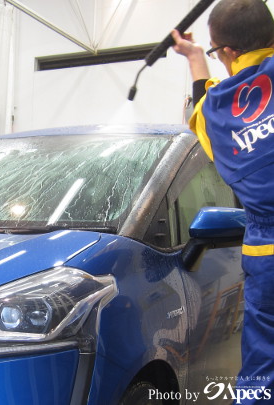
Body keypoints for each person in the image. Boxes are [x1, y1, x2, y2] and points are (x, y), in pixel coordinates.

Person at [172, 0, 274, 402]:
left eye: (216, 51)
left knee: (262, 371)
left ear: (227, 53)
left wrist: (196, 59)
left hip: (268, 254)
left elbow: (200, 108)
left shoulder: (219, 112)